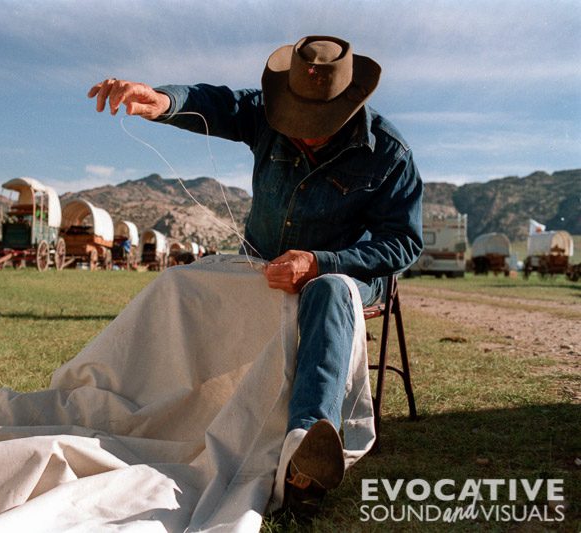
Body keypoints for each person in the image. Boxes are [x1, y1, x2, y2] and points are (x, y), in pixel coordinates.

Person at [88, 35, 423, 515]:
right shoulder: (269, 113)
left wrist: (319, 262)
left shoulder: (389, 153)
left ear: (350, 106)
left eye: (319, 124)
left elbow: (404, 243)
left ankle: (305, 452)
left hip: (346, 272)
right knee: (181, 284)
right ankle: (145, 405)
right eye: (298, 120)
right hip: (261, 263)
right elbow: (216, 103)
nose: (305, 133)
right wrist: (163, 101)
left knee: (326, 292)